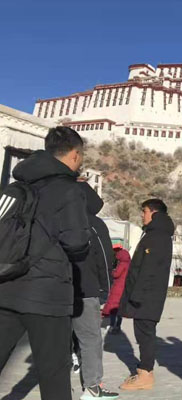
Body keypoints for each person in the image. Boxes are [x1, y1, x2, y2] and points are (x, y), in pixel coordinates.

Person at [0, 126, 91, 400]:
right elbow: (76, 244)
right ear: (75, 155)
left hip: (7, 286)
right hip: (47, 297)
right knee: (53, 373)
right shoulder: (69, 190)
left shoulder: (17, 186)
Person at [118, 199, 174, 391]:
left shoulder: (157, 236)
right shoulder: (156, 234)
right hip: (146, 295)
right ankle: (143, 370)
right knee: (142, 333)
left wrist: (137, 295)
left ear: (154, 213)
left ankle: (146, 374)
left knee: (145, 334)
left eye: (144, 211)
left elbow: (149, 270)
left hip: (147, 297)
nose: (142, 215)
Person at [71, 181, 118, 399]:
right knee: (90, 339)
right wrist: (105, 291)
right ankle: (92, 387)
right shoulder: (95, 224)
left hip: (56, 288)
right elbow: (105, 259)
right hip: (87, 289)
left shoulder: (59, 218)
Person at [103, 243, 131, 334]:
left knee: (113, 308)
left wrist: (112, 271)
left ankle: (112, 326)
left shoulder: (122, 264)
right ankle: (118, 326)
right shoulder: (129, 264)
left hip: (118, 288)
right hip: (124, 288)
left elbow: (116, 274)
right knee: (119, 309)